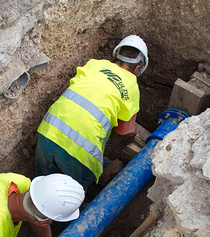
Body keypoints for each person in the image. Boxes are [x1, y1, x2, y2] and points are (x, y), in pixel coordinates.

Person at [36, 35, 149, 190]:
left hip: (48, 132)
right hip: (80, 152)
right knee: (69, 196)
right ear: (137, 69)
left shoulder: (92, 64)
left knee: (43, 187)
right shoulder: (131, 86)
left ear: (116, 56)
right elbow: (121, 134)